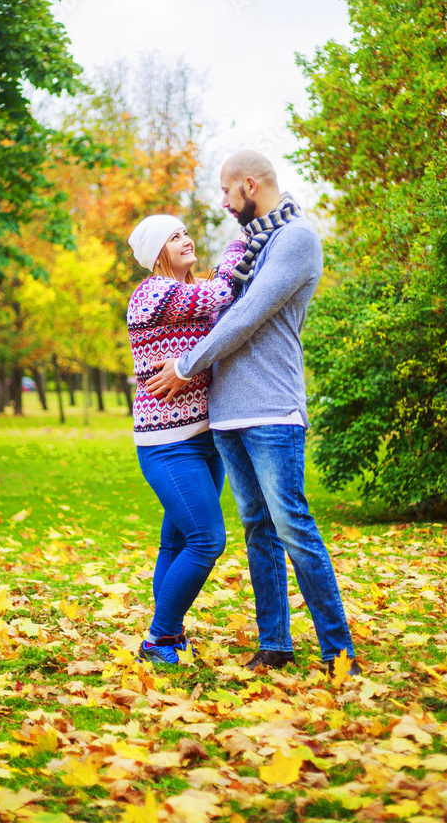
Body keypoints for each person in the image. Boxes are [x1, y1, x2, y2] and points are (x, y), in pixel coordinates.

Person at [146, 152, 359, 677]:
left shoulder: (296, 239)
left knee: (293, 525)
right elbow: (217, 300)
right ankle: (275, 644)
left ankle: (338, 652)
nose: (221, 203)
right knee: (258, 527)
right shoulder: (246, 247)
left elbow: (245, 313)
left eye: (224, 191)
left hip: (271, 407)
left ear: (248, 183)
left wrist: (185, 366)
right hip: (226, 413)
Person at [127, 214, 246, 665]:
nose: (186, 238)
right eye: (174, 237)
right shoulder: (154, 294)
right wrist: (243, 240)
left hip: (204, 437)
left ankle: (169, 635)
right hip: (168, 444)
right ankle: (158, 639)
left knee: (175, 544)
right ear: (157, 252)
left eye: (185, 231)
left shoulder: (187, 296)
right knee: (207, 539)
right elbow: (221, 290)